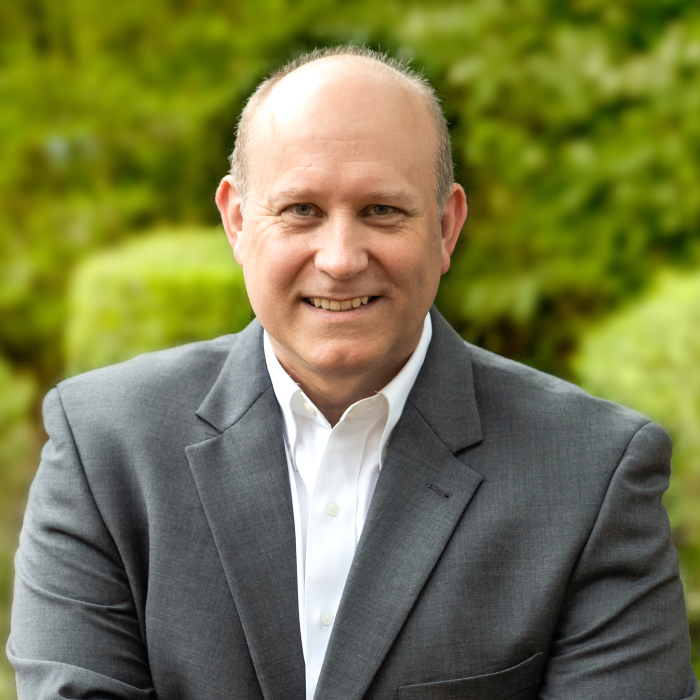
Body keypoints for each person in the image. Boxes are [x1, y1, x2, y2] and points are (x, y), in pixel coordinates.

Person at [7, 46, 698, 700]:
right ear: (239, 222)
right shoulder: (104, 448)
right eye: (302, 210)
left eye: (382, 211)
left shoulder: (592, 473)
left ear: (447, 227)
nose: (339, 257)